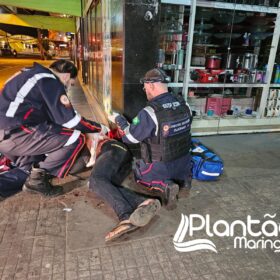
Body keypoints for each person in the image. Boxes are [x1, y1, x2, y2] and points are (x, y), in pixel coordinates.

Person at [0, 59, 108, 196]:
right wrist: (99, 128)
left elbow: (53, 117)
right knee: (76, 138)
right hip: (16, 132)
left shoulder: (30, 74)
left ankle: (16, 184)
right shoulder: (48, 79)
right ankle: (36, 182)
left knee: (28, 171)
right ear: (67, 75)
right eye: (70, 83)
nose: (68, 87)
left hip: (8, 135)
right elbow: (70, 121)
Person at [109, 68, 193, 207]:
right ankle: (185, 181)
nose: (145, 89)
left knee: (138, 173)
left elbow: (129, 138)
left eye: (145, 87)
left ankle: (163, 186)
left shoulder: (150, 112)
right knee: (181, 166)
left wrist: (119, 119)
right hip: (183, 163)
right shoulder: (184, 104)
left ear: (151, 85)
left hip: (161, 164)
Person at [88, 133, 161, 242]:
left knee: (95, 180)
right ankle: (143, 202)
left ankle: (125, 215)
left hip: (113, 149)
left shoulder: (83, 135)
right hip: (124, 158)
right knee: (104, 186)